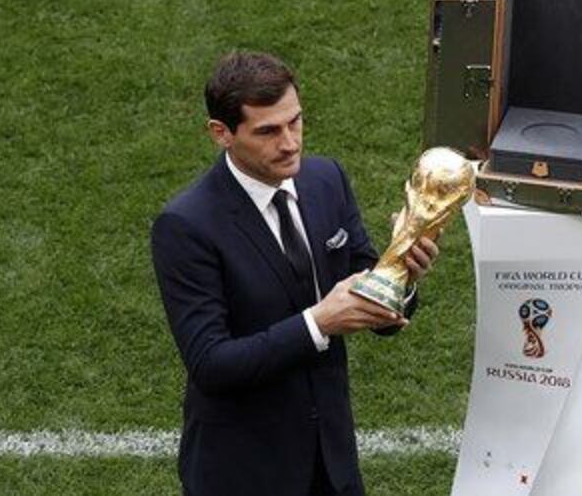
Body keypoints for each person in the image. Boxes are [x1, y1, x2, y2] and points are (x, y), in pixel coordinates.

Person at [151, 51, 438, 496]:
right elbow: (211, 364)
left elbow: (370, 292)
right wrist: (318, 323)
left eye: (295, 122)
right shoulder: (187, 225)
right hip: (243, 473)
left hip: (332, 464)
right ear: (221, 133)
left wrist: (402, 273)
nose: (289, 143)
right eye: (268, 131)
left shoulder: (326, 180)